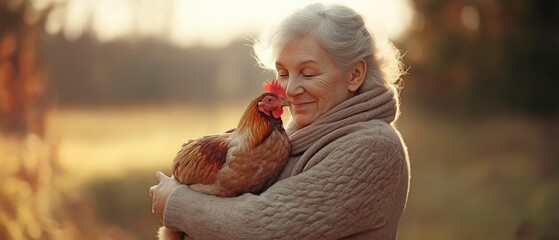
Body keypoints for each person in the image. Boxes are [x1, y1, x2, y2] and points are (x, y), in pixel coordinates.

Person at [150, 2, 410, 239]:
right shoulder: (295, 138)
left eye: (308, 73)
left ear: (354, 75)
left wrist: (176, 202)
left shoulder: (373, 146)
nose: (291, 89)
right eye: (283, 73)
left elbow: (263, 226)